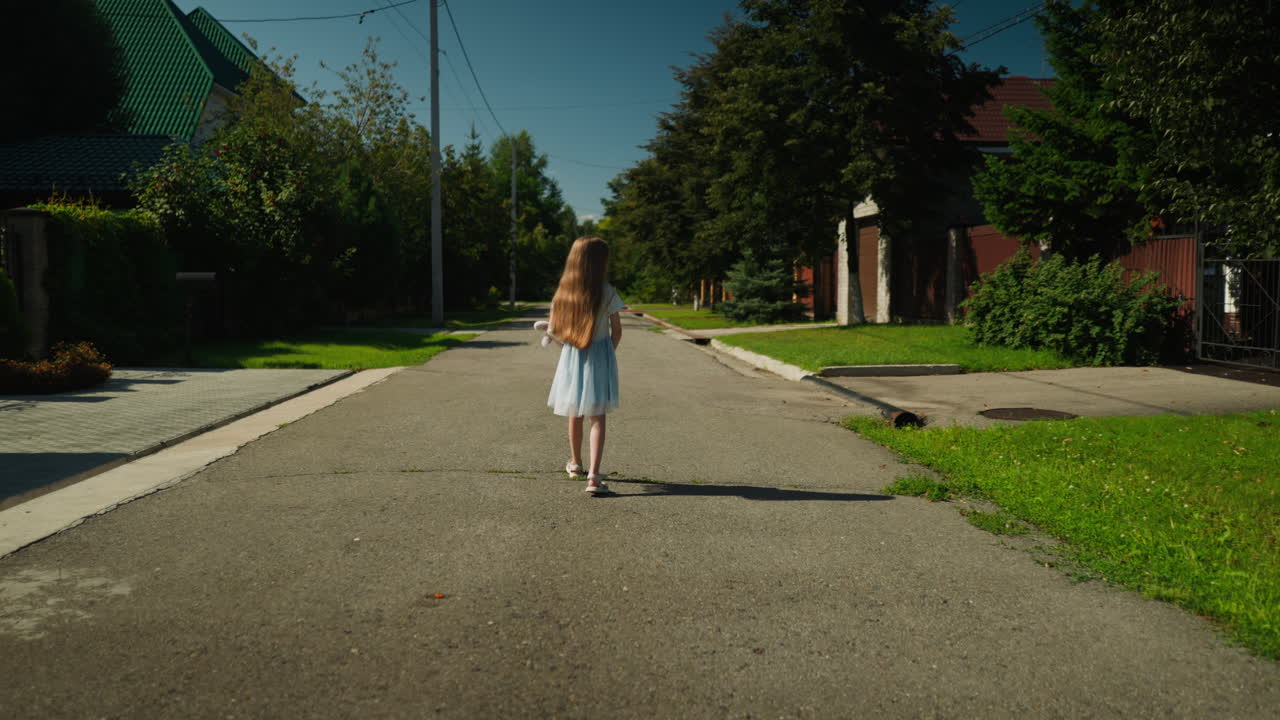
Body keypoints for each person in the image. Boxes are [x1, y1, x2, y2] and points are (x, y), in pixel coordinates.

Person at [546, 236, 624, 495]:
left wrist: (568, 349)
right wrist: (606, 355)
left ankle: (576, 463)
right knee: (597, 416)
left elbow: (554, 329)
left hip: (573, 356)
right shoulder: (608, 291)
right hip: (599, 356)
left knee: (574, 411)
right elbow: (617, 332)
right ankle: (594, 476)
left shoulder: (565, 291)